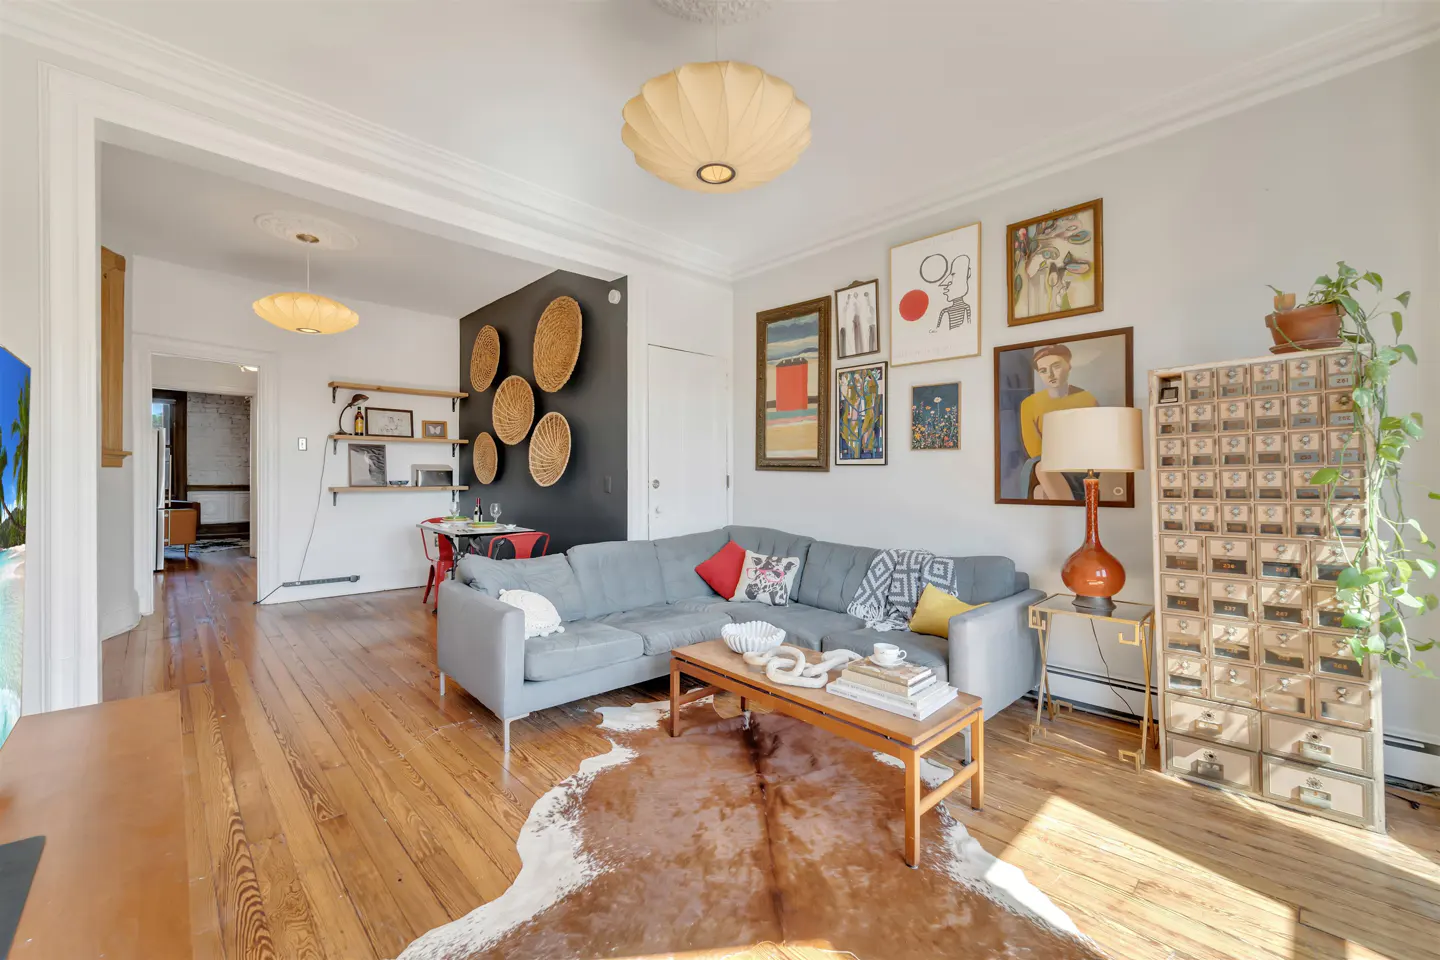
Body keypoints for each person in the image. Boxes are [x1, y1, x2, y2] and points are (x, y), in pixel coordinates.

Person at [1018, 344, 1096, 500]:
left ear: (1069, 366)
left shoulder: (1087, 399)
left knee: (1041, 490)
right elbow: (1034, 448)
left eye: (1056, 366)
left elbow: (1090, 440)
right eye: (1043, 370)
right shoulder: (1029, 404)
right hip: (1046, 462)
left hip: (1079, 463)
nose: (1050, 374)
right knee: (1041, 473)